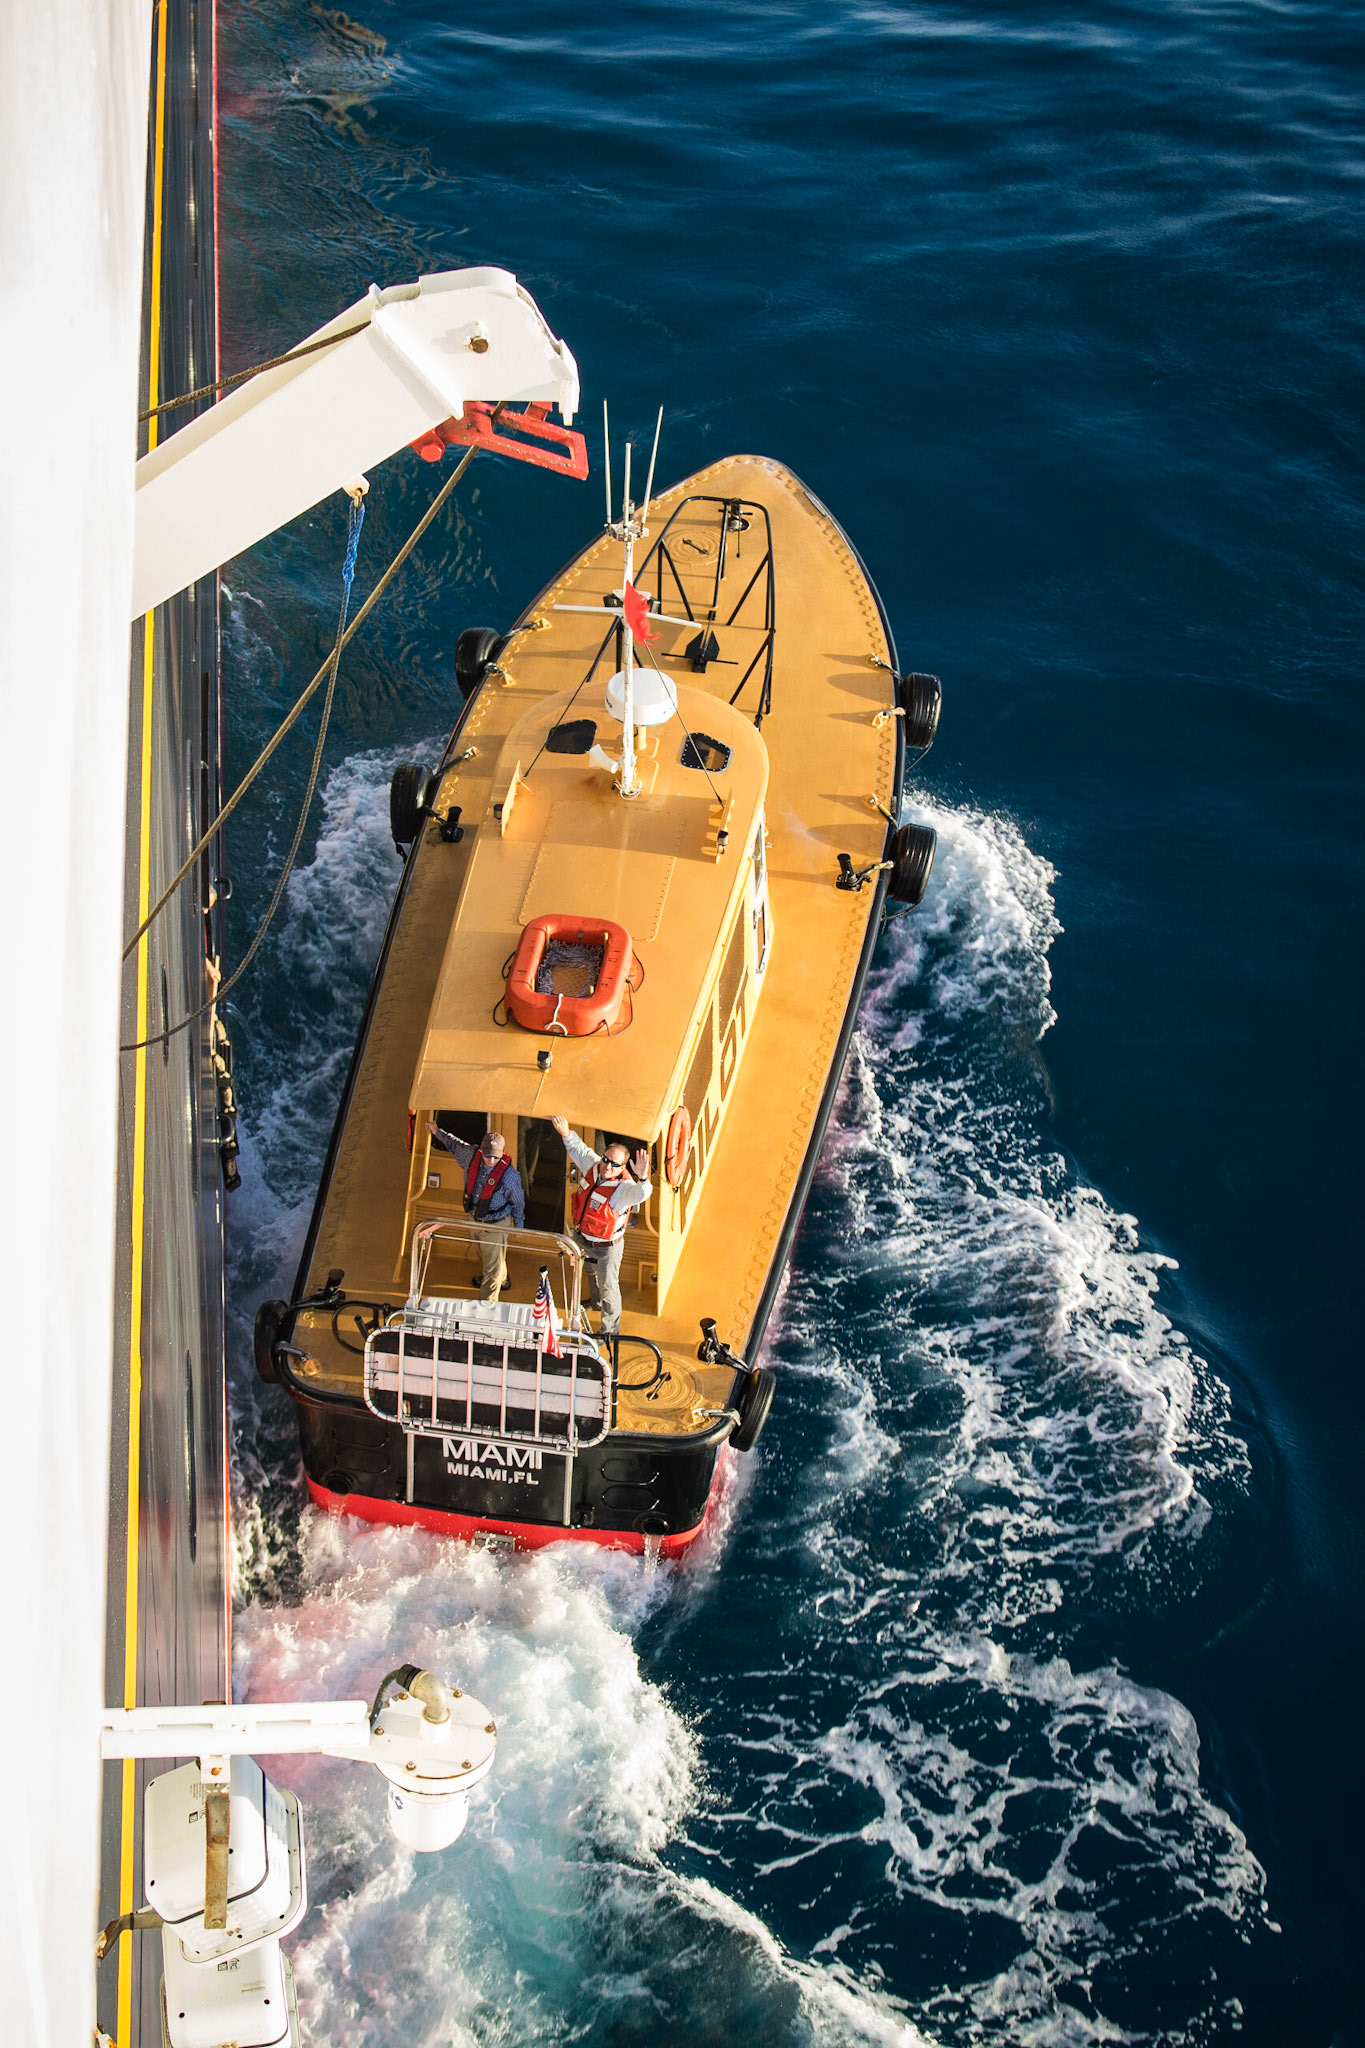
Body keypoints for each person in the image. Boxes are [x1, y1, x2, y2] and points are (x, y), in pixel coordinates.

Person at [549, 1115, 651, 1337]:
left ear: (623, 1167)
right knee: (588, 1272)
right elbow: (579, 1149)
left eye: (615, 1164)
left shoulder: (624, 1189)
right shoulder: (595, 1167)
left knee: (609, 1288)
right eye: (606, 1160)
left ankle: (609, 1331)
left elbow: (640, 1194)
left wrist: (643, 1178)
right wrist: (565, 1132)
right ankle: (595, 1302)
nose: (608, 1166)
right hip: (583, 1239)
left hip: (607, 1248)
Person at [425, 1120, 524, 1301]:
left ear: (502, 1153)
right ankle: (502, 1279)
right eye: (487, 1155)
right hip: (474, 1219)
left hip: (495, 1225)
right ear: (481, 1150)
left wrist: (519, 1226)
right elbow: (454, 1144)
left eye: (495, 1157)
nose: (491, 1160)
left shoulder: (510, 1176)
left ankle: (488, 1305)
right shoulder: (470, 1155)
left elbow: (518, 1202)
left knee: (492, 1268)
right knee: (486, 1255)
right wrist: (436, 1131)